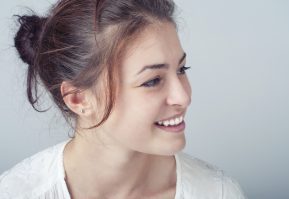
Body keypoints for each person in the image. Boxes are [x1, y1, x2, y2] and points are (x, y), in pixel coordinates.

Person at [0, 0, 247, 198]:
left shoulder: (218, 192)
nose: (183, 97)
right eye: (152, 81)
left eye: (182, 69)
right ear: (78, 99)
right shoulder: (15, 193)